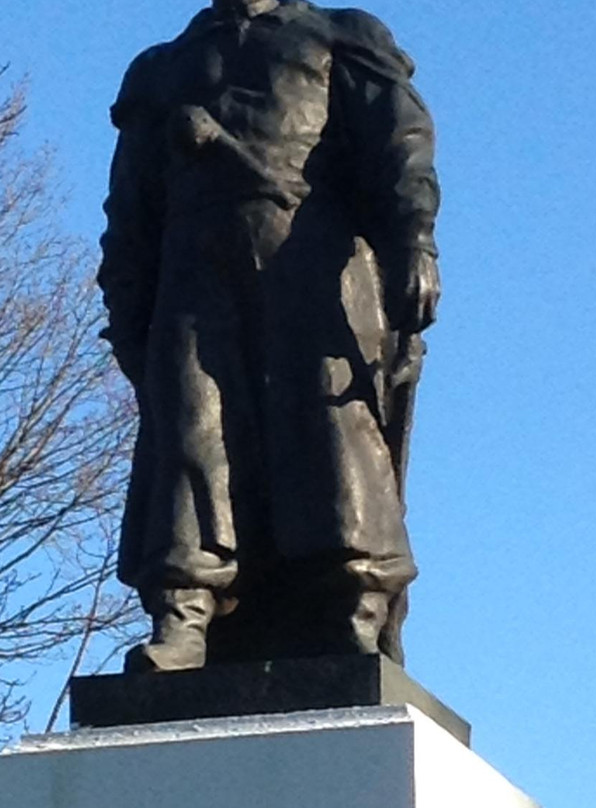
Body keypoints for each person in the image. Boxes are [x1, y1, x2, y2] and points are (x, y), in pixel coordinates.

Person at [97, 0, 440, 672]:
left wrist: (414, 245)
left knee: (328, 429)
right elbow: (131, 205)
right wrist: (127, 300)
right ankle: (185, 614)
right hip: (194, 276)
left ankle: (353, 608)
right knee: (192, 434)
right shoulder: (164, 69)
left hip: (313, 262)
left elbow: (399, 150)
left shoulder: (340, 38)